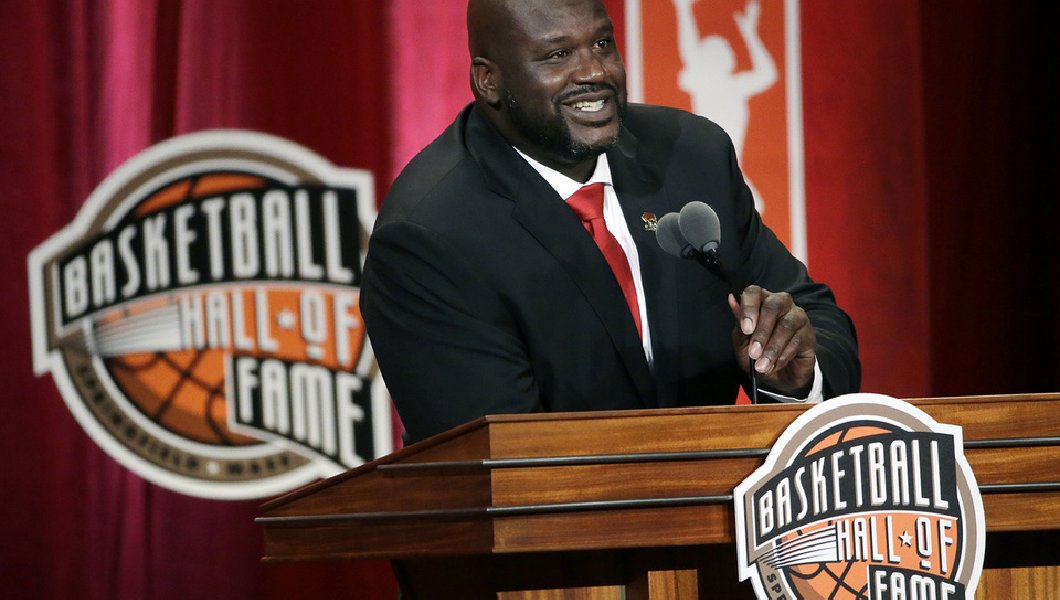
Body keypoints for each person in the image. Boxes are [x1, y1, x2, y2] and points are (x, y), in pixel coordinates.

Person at [360, 0, 859, 444]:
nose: (595, 71)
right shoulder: (432, 235)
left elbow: (815, 314)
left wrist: (793, 378)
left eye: (602, 43)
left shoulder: (691, 156)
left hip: (723, 513)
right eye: (558, 55)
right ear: (489, 81)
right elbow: (497, 459)